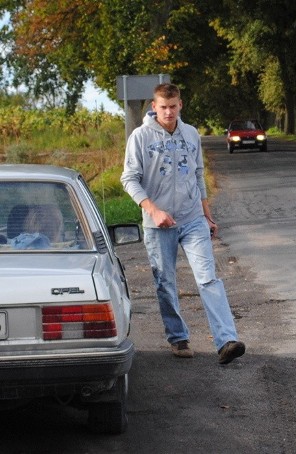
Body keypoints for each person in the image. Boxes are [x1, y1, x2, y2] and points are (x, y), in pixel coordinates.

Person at [121, 83, 245, 364]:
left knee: (208, 277)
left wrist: (206, 212)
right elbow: (129, 179)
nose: (168, 112)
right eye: (163, 107)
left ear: (180, 105)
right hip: (158, 224)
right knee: (165, 283)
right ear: (154, 107)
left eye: (173, 106)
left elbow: (198, 174)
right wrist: (153, 211)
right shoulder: (139, 137)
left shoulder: (190, 134)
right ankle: (178, 337)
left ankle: (226, 339)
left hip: (192, 219)